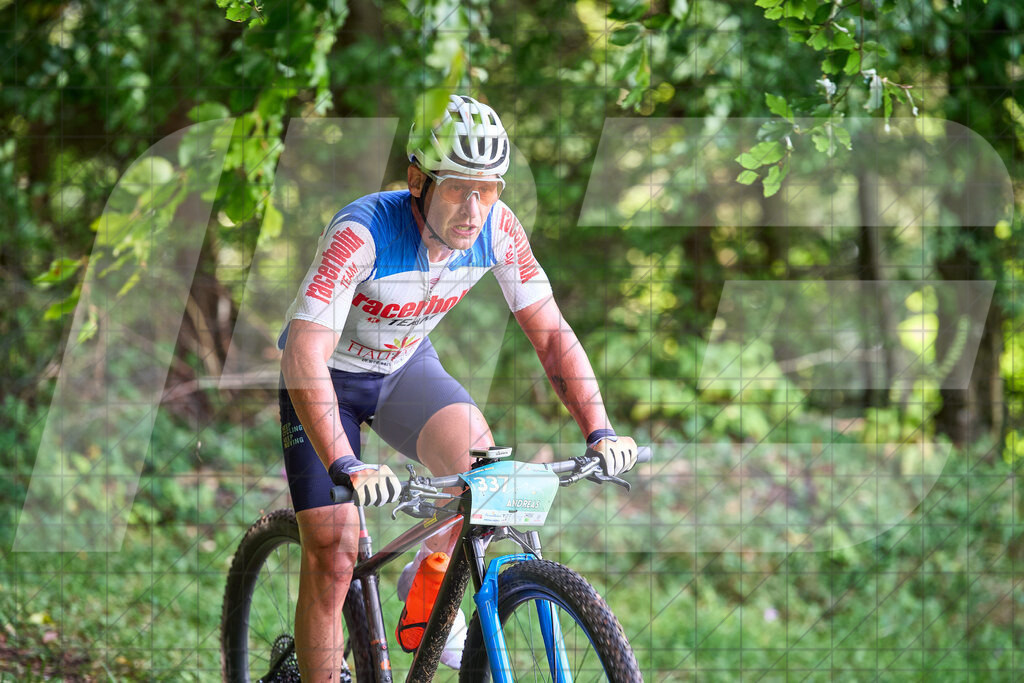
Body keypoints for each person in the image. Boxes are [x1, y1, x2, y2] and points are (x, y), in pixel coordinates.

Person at [278, 94, 638, 681]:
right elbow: (303, 353)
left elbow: (550, 333)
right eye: (457, 188)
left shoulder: (497, 229)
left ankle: (425, 593)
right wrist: (346, 462)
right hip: (327, 383)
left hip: (402, 370)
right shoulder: (362, 232)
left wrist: (599, 428)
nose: (474, 208)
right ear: (418, 180)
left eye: (489, 188)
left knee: (476, 464)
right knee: (334, 553)